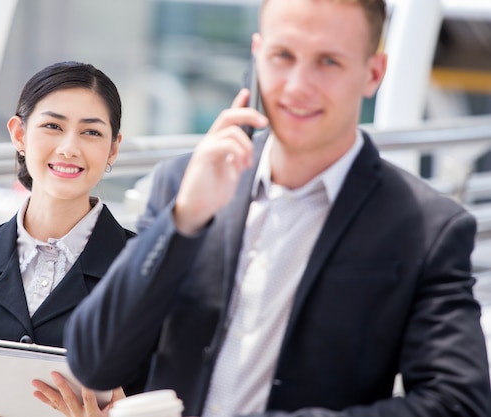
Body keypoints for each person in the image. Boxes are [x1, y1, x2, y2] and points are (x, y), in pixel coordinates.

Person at [63, 0, 491, 416]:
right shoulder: (184, 184)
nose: (298, 85)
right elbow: (95, 363)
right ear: (257, 54)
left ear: (373, 73)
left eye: (328, 61)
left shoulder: (427, 226)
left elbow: (458, 402)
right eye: (283, 55)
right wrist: (183, 220)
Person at [0, 61, 145, 417]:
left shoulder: (149, 269)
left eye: (91, 132)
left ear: (113, 149)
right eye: (53, 126)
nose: (69, 148)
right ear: (20, 135)